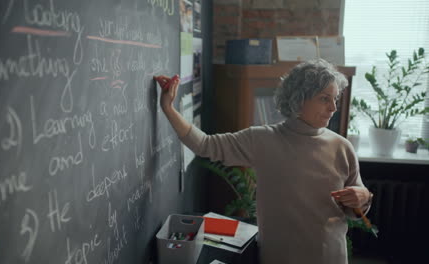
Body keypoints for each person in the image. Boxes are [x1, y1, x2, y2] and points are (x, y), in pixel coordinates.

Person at [154, 59, 372, 264]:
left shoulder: (343, 147)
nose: (333, 107)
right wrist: (168, 108)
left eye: (335, 99)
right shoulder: (263, 139)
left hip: (330, 256)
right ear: (299, 97)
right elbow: (205, 145)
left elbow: (356, 204)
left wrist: (363, 197)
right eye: (325, 98)